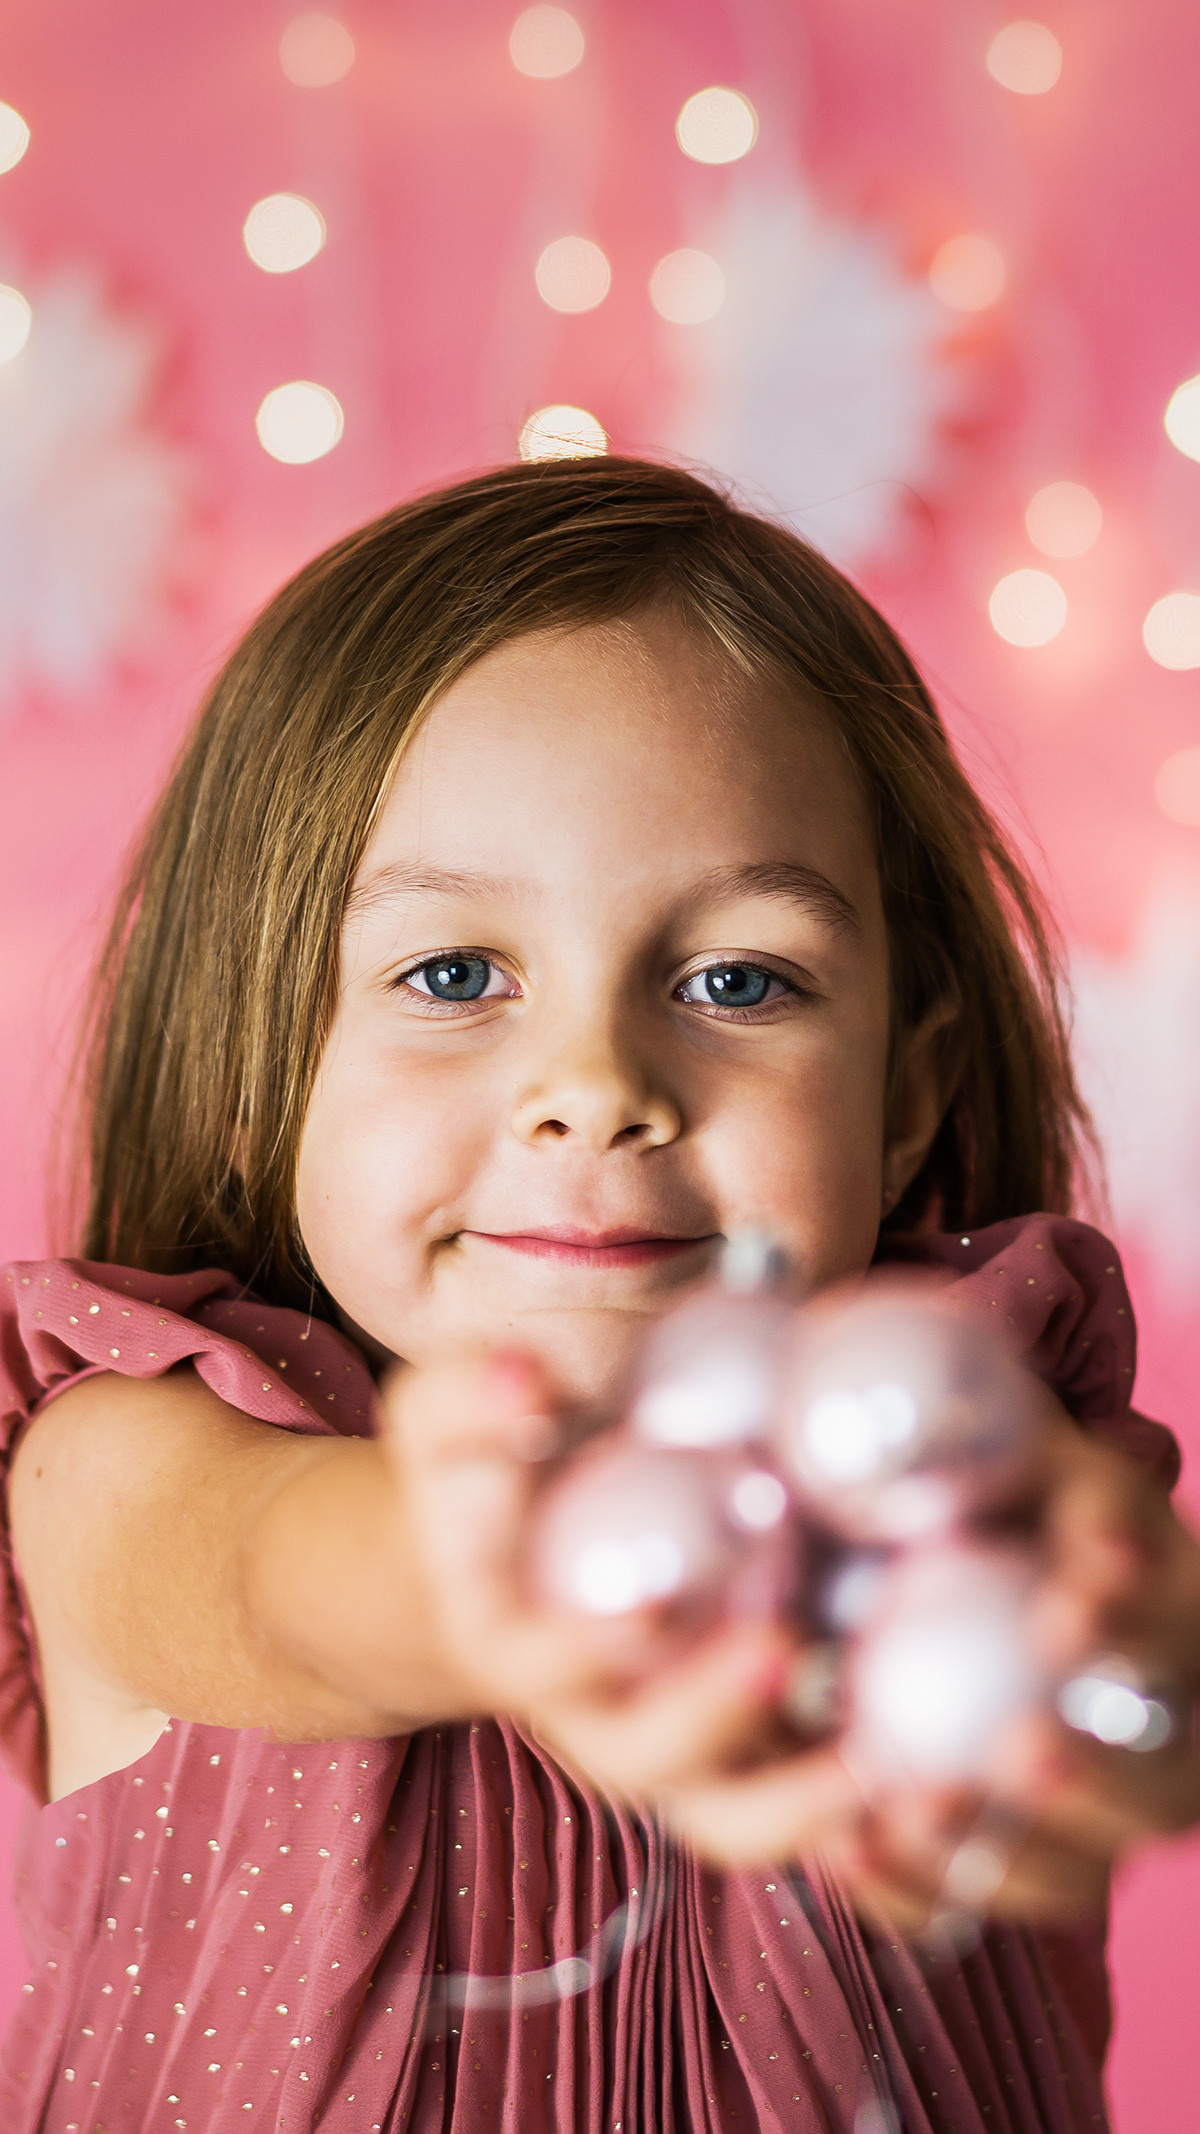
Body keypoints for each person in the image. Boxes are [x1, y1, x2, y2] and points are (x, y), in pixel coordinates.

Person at [0, 457, 1197, 2134]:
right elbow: (280, 1580)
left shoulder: (963, 1419)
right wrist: (521, 1578)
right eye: (454, 975)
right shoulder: (120, 1458)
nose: (596, 1082)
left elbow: (1118, 1650)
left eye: (736, 978)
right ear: (255, 1071)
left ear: (905, 1097)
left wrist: (1120, 1666)